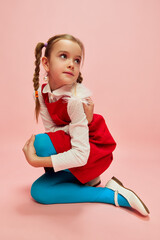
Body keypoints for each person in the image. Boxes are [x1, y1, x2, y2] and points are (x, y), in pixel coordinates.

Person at [23, 34, 149, 216]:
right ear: (46, 63)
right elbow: (52, 132)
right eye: (63, 56)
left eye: (77, 60)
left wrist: (37, 162)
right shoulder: (43, 92)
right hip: (76, 146)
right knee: (39, 192)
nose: (71, 64)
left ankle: (94, 181)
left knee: (40, 145)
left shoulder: (75, 100)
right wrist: (74, 128)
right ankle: (107, 192)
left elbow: (80, 154)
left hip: (94, 152)